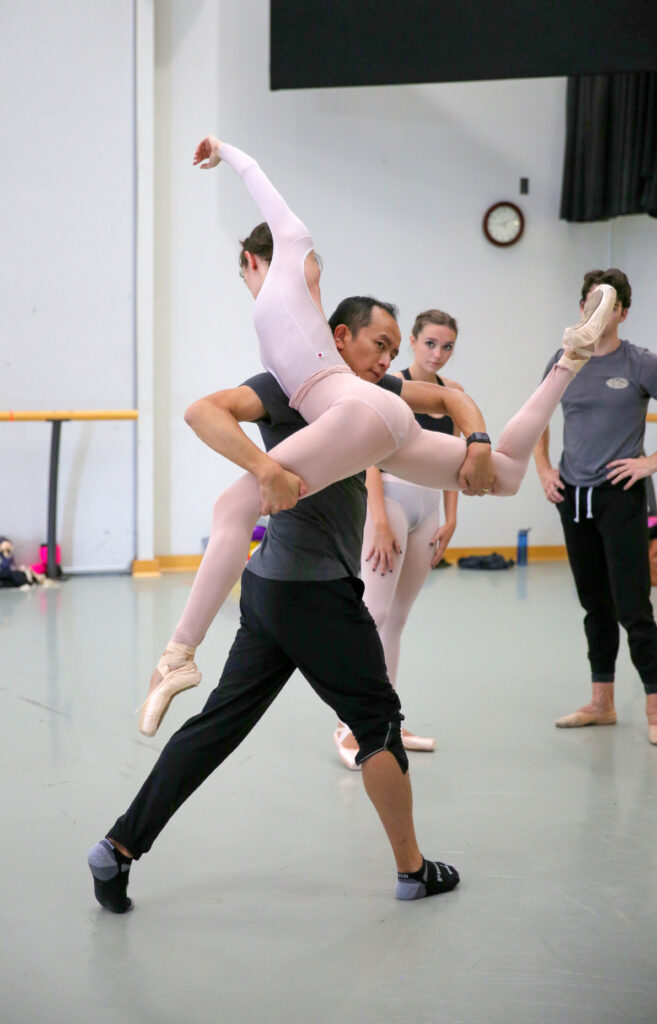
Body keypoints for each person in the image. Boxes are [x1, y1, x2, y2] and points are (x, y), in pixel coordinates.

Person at [138, 133, 617, 738]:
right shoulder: (304, 278)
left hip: (353, 411)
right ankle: (571, 358)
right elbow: (263, 185)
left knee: (232, 505)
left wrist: (223, 151)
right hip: (378, 415)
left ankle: (178, 656)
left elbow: (261, 180)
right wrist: (226, 155)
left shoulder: (281, 279)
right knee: (508, 473)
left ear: (252, 263)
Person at [88, 313, 467, 912]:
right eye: (380, 344)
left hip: (269, 588)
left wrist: (476, 439)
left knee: (217, 727)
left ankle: (118, 848)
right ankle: (413, 871)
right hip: (314, 594)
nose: (387, 359)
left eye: (395, 349)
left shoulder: (372, 392)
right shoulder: (287, 385)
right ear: (339, 337)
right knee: (379, 725)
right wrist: (263, 468)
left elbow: (447, 397)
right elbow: (204, 410)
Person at [533, 268, 657, 744]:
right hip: (573, 498)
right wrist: (544, 468)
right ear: (582, 308)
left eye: (607, 302)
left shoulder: (639, 363)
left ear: (621, 312)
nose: (596, 309)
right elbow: (537, 417)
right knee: (594, 605)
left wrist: (648, 464)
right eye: (590, 300)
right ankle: (601, 703)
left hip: (619, 498)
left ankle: (653, 706)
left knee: (633, 607)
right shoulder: (564, 361)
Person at [335, 309, 463, 767]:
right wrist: (379, 519)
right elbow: (370, 453)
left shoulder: (453, 395)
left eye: (447, 346)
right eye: (430, 343)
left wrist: (450, 517)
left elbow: (455, 462)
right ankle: (351, 723)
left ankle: (386, 719)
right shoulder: (392, 388)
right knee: (375, 611)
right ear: (412, 342)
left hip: (429, 508)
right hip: (388, 499)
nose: (438, 353)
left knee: (398, 619)